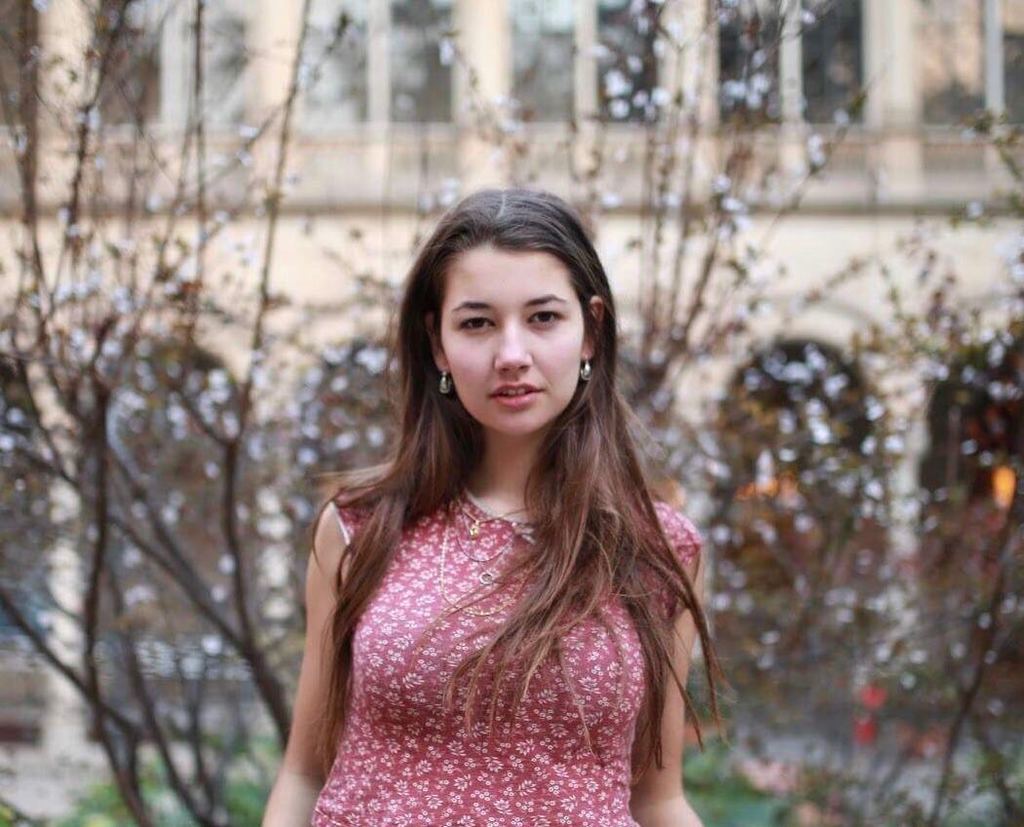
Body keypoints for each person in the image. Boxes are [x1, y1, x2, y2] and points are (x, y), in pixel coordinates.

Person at [262, 188, 727, 826]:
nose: (512, 355)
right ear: (437, 342)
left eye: (543, 318)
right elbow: (304, 773)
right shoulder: (361, 527)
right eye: (477, 323)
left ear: (591, 330)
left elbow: (657, 799)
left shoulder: (658, 548)